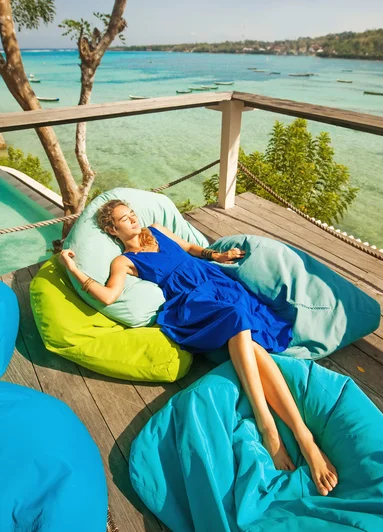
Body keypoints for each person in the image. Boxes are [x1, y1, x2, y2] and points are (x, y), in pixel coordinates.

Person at [60, 199, 338, 496]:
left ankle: (299, 434)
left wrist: (218, 254)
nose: (133, 220)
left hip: (218, 284)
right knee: (237, 319)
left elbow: (192, 249)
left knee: (250, 340)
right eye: (124, 220)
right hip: (192, 304)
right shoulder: (125, 261)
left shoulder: (157, 229)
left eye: (132, 214)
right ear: (112, 229)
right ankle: (273, 424)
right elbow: (108, 296)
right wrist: (71, 266)